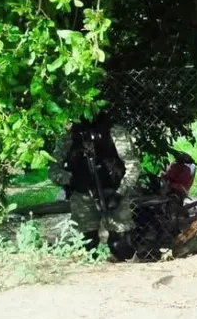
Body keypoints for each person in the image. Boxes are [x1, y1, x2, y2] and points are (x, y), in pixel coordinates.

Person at [48, 110, 140, 259]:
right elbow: (53, 170)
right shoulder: (70, 136)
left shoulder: (116, 132)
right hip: (84, 196)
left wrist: (119, 194)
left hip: (114, 192)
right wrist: (73, 180)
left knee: (121, 246)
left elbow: (133, 166)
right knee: (86, 245)